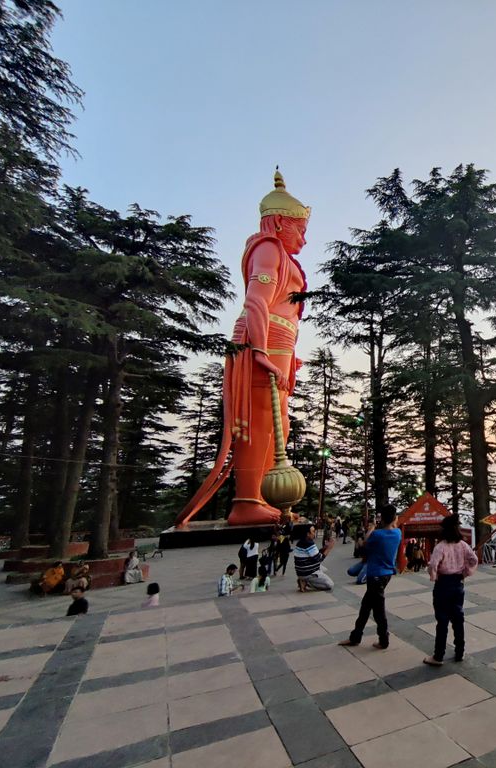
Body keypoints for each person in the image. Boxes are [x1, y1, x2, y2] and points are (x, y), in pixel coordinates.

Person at [175, 170, 311, 528]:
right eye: (300, 229)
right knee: (259, 421)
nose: (303, 239)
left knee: (275, 423)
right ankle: (247, 500)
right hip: (260, 344)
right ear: (280, 222)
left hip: (278, 344)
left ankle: (261, 498)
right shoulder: (267, 248)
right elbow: (256, 301)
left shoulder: (280, 254)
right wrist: (262, 351)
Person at [340, 505, 402, 650]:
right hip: (386, 575)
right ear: (394, 518)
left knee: (378, 611)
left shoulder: (377, 534)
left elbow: (365, 544)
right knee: (366, 606)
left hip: (375, 575)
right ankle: (355, 637)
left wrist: (372, 526)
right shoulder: (398, 533)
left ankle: (383, 640)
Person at [423, 515, 479, 666]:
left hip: (443, 585)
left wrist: (433, 576)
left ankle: (438, 656)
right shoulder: (462, 545)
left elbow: (433, 565)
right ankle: (460, 652)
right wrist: (465, 572)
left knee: (442, 621)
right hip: (458, 583)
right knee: (458, 618)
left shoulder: (440, 546)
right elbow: (474, 559)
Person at [294, 525, 334, 592]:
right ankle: (306, 582)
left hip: (301, 571)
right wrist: (329, 548)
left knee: (324, 569)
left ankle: (304, 579)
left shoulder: (301, 542)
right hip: (307, 572)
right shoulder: (309, 543)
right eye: (313, 531)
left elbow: (315, 555)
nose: (314, 533)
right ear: (308, 534)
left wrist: (325, 547)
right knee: (330, 585)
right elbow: (319, 559)